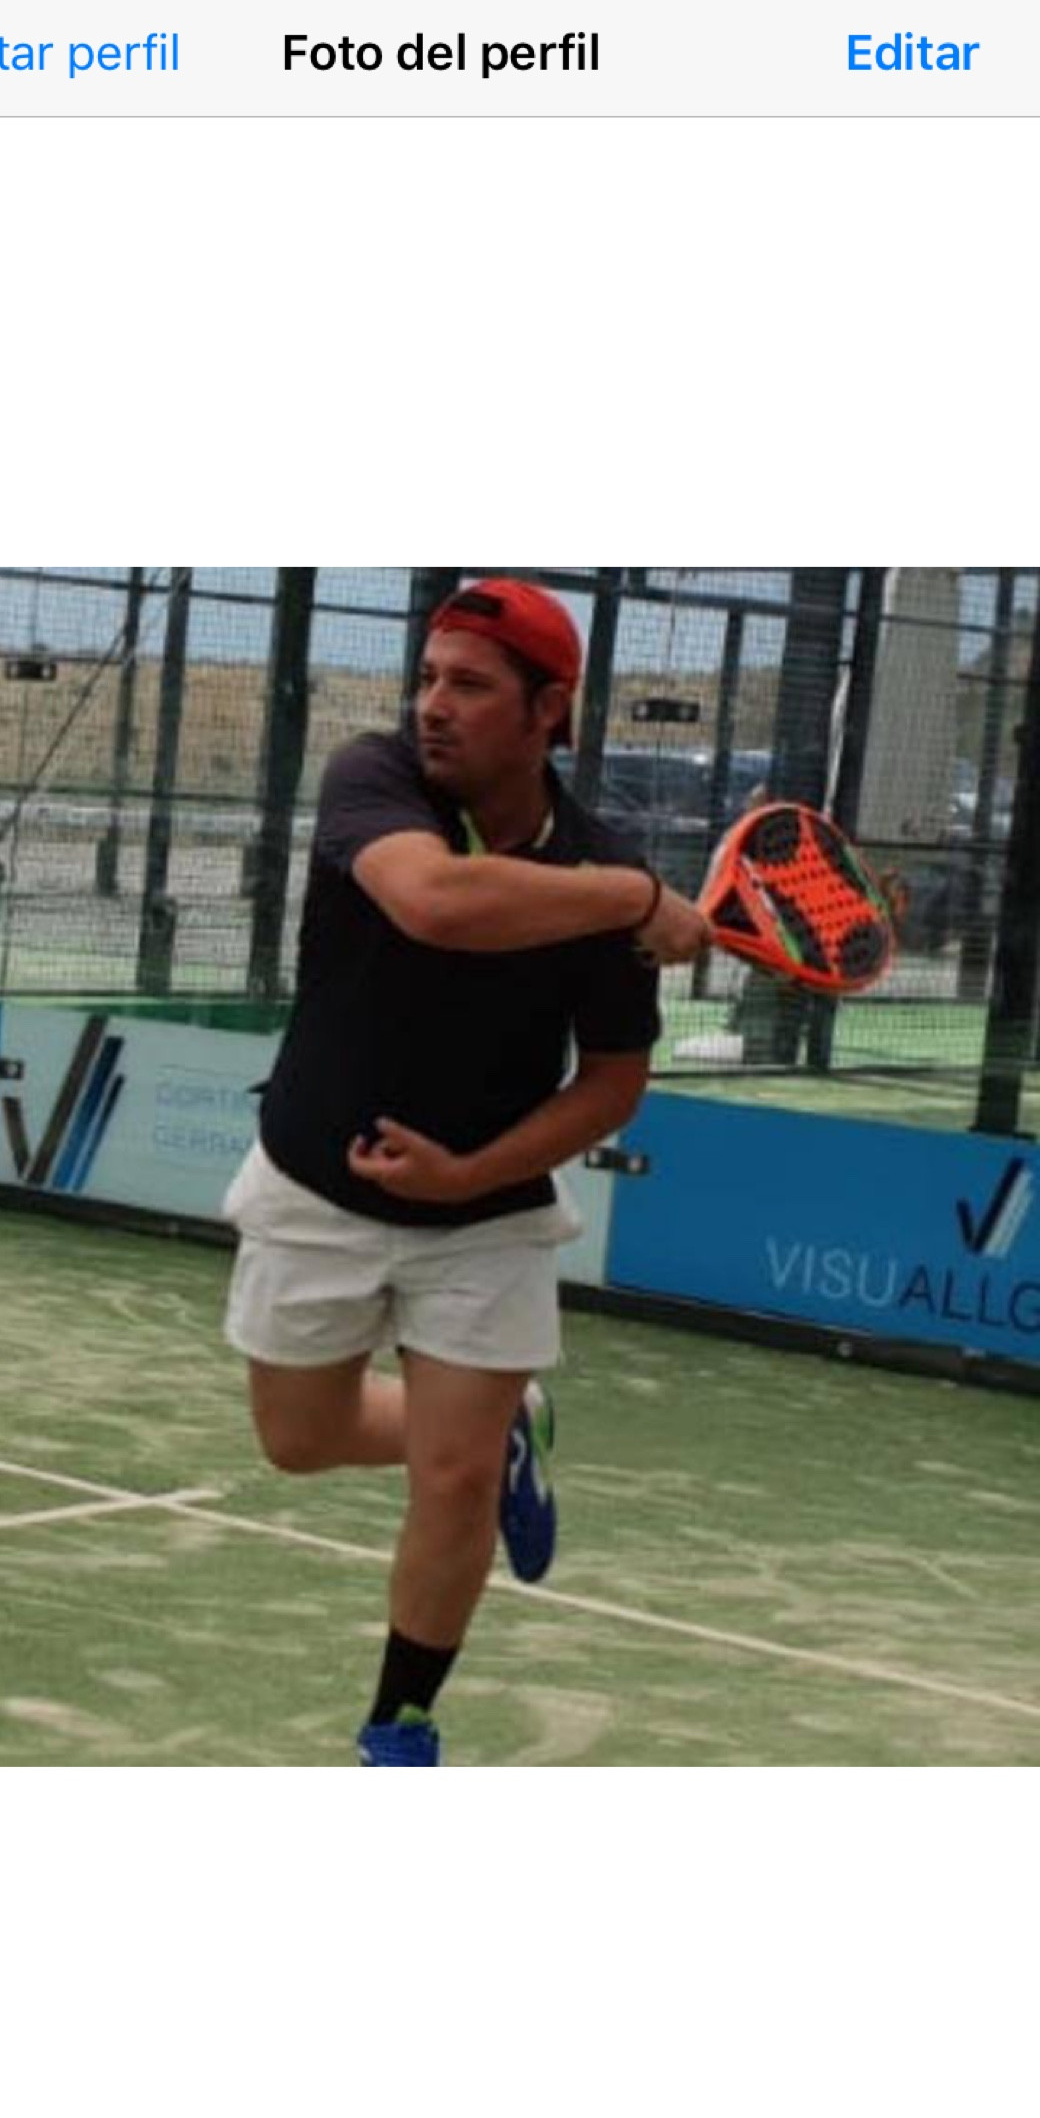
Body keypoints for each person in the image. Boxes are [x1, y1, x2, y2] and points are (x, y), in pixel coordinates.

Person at [222, 579, 708, 1765]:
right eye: (429, 677)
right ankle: (511, 1424)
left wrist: (472, 1174)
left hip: (487, 1218)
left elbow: (613, 1083)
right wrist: (639, 900)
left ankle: (399, 1729)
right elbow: (437, 903)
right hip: (314, 1182)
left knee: (451, 1478)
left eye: (471, 685)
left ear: (550, 712)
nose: (433, 705)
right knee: (298, 1439)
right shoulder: (376, 778)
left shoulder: (599, 863)